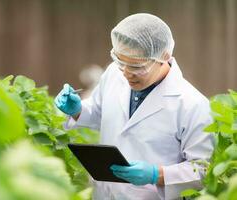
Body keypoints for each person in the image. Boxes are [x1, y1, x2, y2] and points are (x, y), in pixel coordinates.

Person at [55, 13, 214, 200]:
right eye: (121, 63)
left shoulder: (192, 104)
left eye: (137, 67)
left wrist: (158, 174)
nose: (127, 74)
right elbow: (100, 112)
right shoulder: (114, 74)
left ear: (163, 56)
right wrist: (77, 110)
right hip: (105, 193)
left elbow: (203, 169)